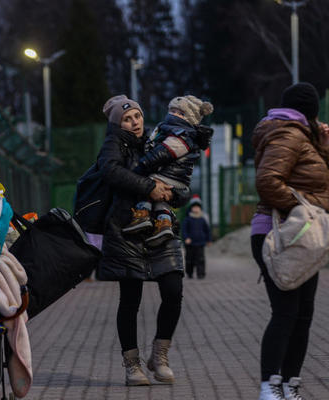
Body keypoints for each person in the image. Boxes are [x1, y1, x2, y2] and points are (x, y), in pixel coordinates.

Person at [95, 95, 187, 387]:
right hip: (126, 228)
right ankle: (132, 365)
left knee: (174, 290)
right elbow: (109, 171)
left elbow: (183, 184)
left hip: (161, 226)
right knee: (130, 299)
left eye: (137, 116)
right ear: (117, 123)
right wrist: (149, 187)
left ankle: (159, 356)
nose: (135, 123)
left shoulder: (157, 141)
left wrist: (172, 194)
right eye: (127, 118)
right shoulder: (113, 144)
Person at [251, 82, 329, 400]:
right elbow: (267, 181)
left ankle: (289, 385)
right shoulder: (288, 134)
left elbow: (315, 180)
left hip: (301, 236)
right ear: (310, 112)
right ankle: (269, 385)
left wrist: (324, 147)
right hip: (281, 233)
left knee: (302, 314)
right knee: (286, 312)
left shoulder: (300, 136)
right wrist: (304, 209)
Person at [123, 95, 214, 247]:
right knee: (161, 197)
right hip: (173, 177)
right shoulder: (173, 130)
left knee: (147, 184)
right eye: (171, 110)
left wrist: (144, 163)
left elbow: (165, 152)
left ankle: (142, 214)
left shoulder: (182, 134)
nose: (173, 114)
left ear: (189, 118)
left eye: (179, 113)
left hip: (170, 176)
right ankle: (164, 222)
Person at [181, 196, 211, 279]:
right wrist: (186, 238)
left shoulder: (202, 219)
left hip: (200, 243)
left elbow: (207, 230)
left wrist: (208, 240)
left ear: (200, 209)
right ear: (191, 208)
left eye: (198, 207)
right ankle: (189, 272)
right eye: (194, 207)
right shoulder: (187, 219)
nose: (196, 209)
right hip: (190, 243)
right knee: (189, 260)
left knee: (201, 259)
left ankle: (201, 273)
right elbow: (184, 230)